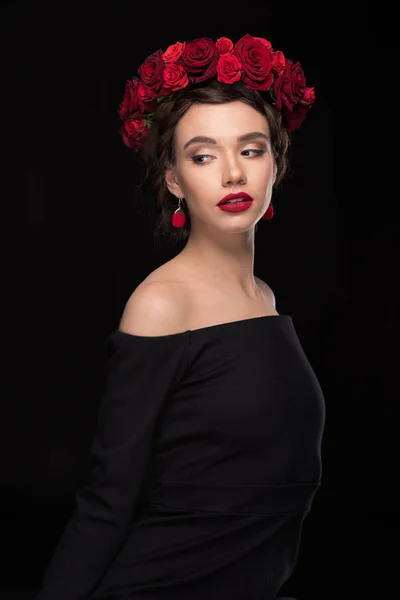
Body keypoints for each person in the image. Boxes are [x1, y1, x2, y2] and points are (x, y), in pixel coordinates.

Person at [35, 34, 325, 600]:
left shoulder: (264, 298)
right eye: (202, 155)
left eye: (251, 149)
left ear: (276, 164)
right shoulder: (162, 304)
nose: (232, 175)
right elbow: (108, 499)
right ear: (173, 179)